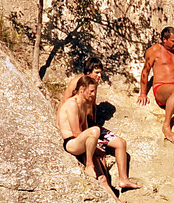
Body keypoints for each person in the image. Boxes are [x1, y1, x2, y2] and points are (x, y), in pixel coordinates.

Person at [58, 78, 141, 203]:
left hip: (82, 142)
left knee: (102, 178)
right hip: (72, 143)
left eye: (94, 91)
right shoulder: (72, 104)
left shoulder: (84, 104)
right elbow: (76, 131)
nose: (93, 94)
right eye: (91, 91)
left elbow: (84, 127)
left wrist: (95, 148)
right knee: (95, 130)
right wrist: (94, 150)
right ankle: (89, 165)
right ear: (81, 90)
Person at [55, 61, 136, 193]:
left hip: (90, 127)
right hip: (83, 132)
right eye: (96, 72)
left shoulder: (92, 87)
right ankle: (103, 183)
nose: (100, 75)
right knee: (100, 163)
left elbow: (89, 110)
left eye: (100, 72)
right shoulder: (78, 84)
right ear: (88, 73)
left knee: (121, 143)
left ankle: (123, 179)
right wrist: (58, 121)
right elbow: (65, 100)